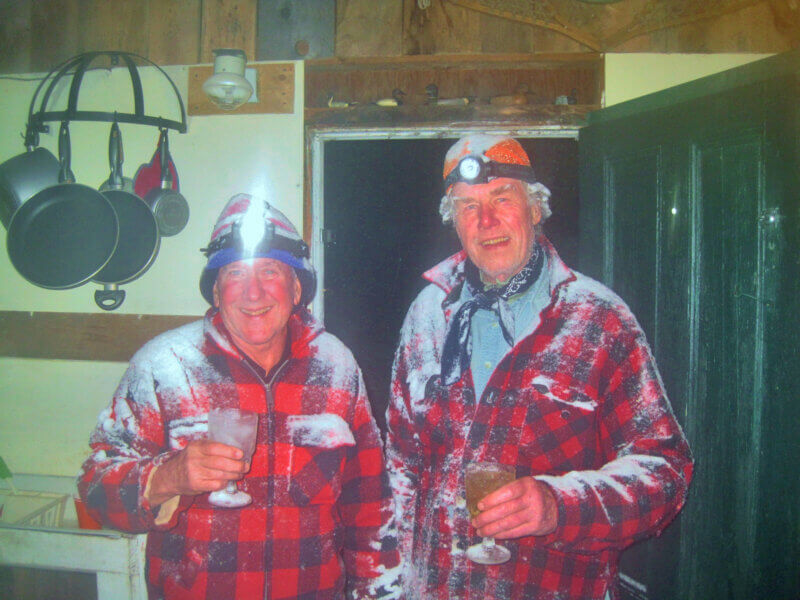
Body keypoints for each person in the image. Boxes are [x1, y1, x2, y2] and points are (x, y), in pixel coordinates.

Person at [385, 134, 694, 599]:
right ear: (455, 223)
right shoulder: (427, 314)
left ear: (535, 209)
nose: (486, 221)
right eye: (468, 207)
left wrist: (559, 506)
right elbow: (401, 464)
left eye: (502, 198)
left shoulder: (599, 320)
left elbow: (665, 472)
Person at [78, 193, 402, 600]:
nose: (253, 293)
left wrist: (378, 594)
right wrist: (169, 476)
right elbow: (94, 490)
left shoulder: (337, 367)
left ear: (297, 288)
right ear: (215, 292)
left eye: (270, 271)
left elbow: (370, 505)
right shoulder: (163, 365)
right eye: (235, 274)